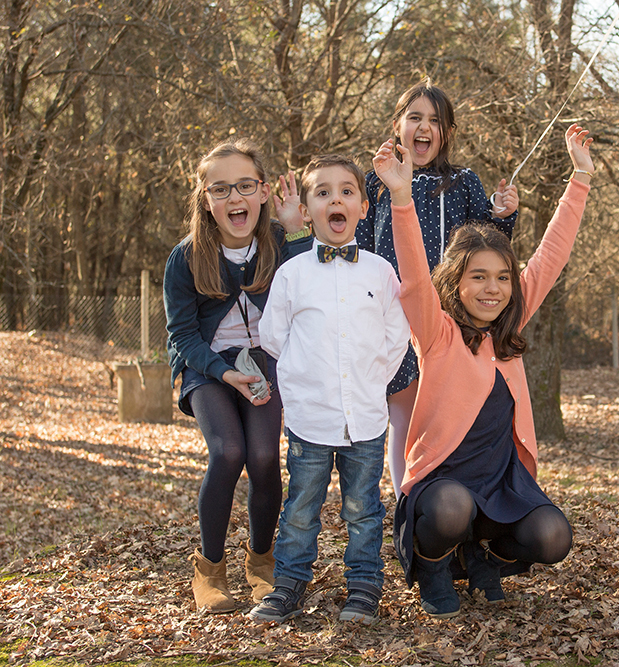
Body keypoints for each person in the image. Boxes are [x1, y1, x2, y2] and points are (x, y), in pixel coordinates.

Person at [371, 123, 593, 619]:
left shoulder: (508, 331)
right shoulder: (437, 333)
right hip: (443, 484)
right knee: (452, 508)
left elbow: (551, 256)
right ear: (457, 282)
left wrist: (579, 178)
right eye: (478, 277)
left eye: (501, 278)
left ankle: (483, 557)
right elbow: (411, 275)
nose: (493, 289)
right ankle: (432, 565)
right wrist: (402, 199)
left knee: (554, 536)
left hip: (500, 481)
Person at [248, 155, 409, 624]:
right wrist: (303, 384)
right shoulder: (292, 274)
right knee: (301, 507)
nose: (334, 199)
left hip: (365, 418)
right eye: (322, 192)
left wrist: (371, 382)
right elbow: (274, 337)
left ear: (361, 205)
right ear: (307, 209)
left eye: (345, 191)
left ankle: (363, 587)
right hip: (310, 417)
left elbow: (396, 337)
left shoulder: (380, 272)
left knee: (363, 510)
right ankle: (288, 584)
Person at [164, 138, 312, 613]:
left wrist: (296, 235)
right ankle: (209, 569)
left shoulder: (275, 241)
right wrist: (225, 374)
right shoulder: (185, 257)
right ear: (205, 199)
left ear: (264, 191)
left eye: (245, 186)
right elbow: (183, 337)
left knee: (265, 456)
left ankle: (261, 563)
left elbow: (301, 293)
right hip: (207, 367)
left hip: (263, 361)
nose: (235, 198)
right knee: (228, 451)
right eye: (221, 189)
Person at [356, 80, 520, 498]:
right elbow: (358, 245)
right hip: (392, 315)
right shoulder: (377, 183)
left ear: (447, 132)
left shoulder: (463, 181)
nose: (424, 127)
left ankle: (452, 502)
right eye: (415, 117)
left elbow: (488, 247)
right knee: (403, 415)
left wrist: (504, 215)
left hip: (448, 323)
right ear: (398, 125)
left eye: (435, 120)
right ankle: (406, 502)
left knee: (444, 415)